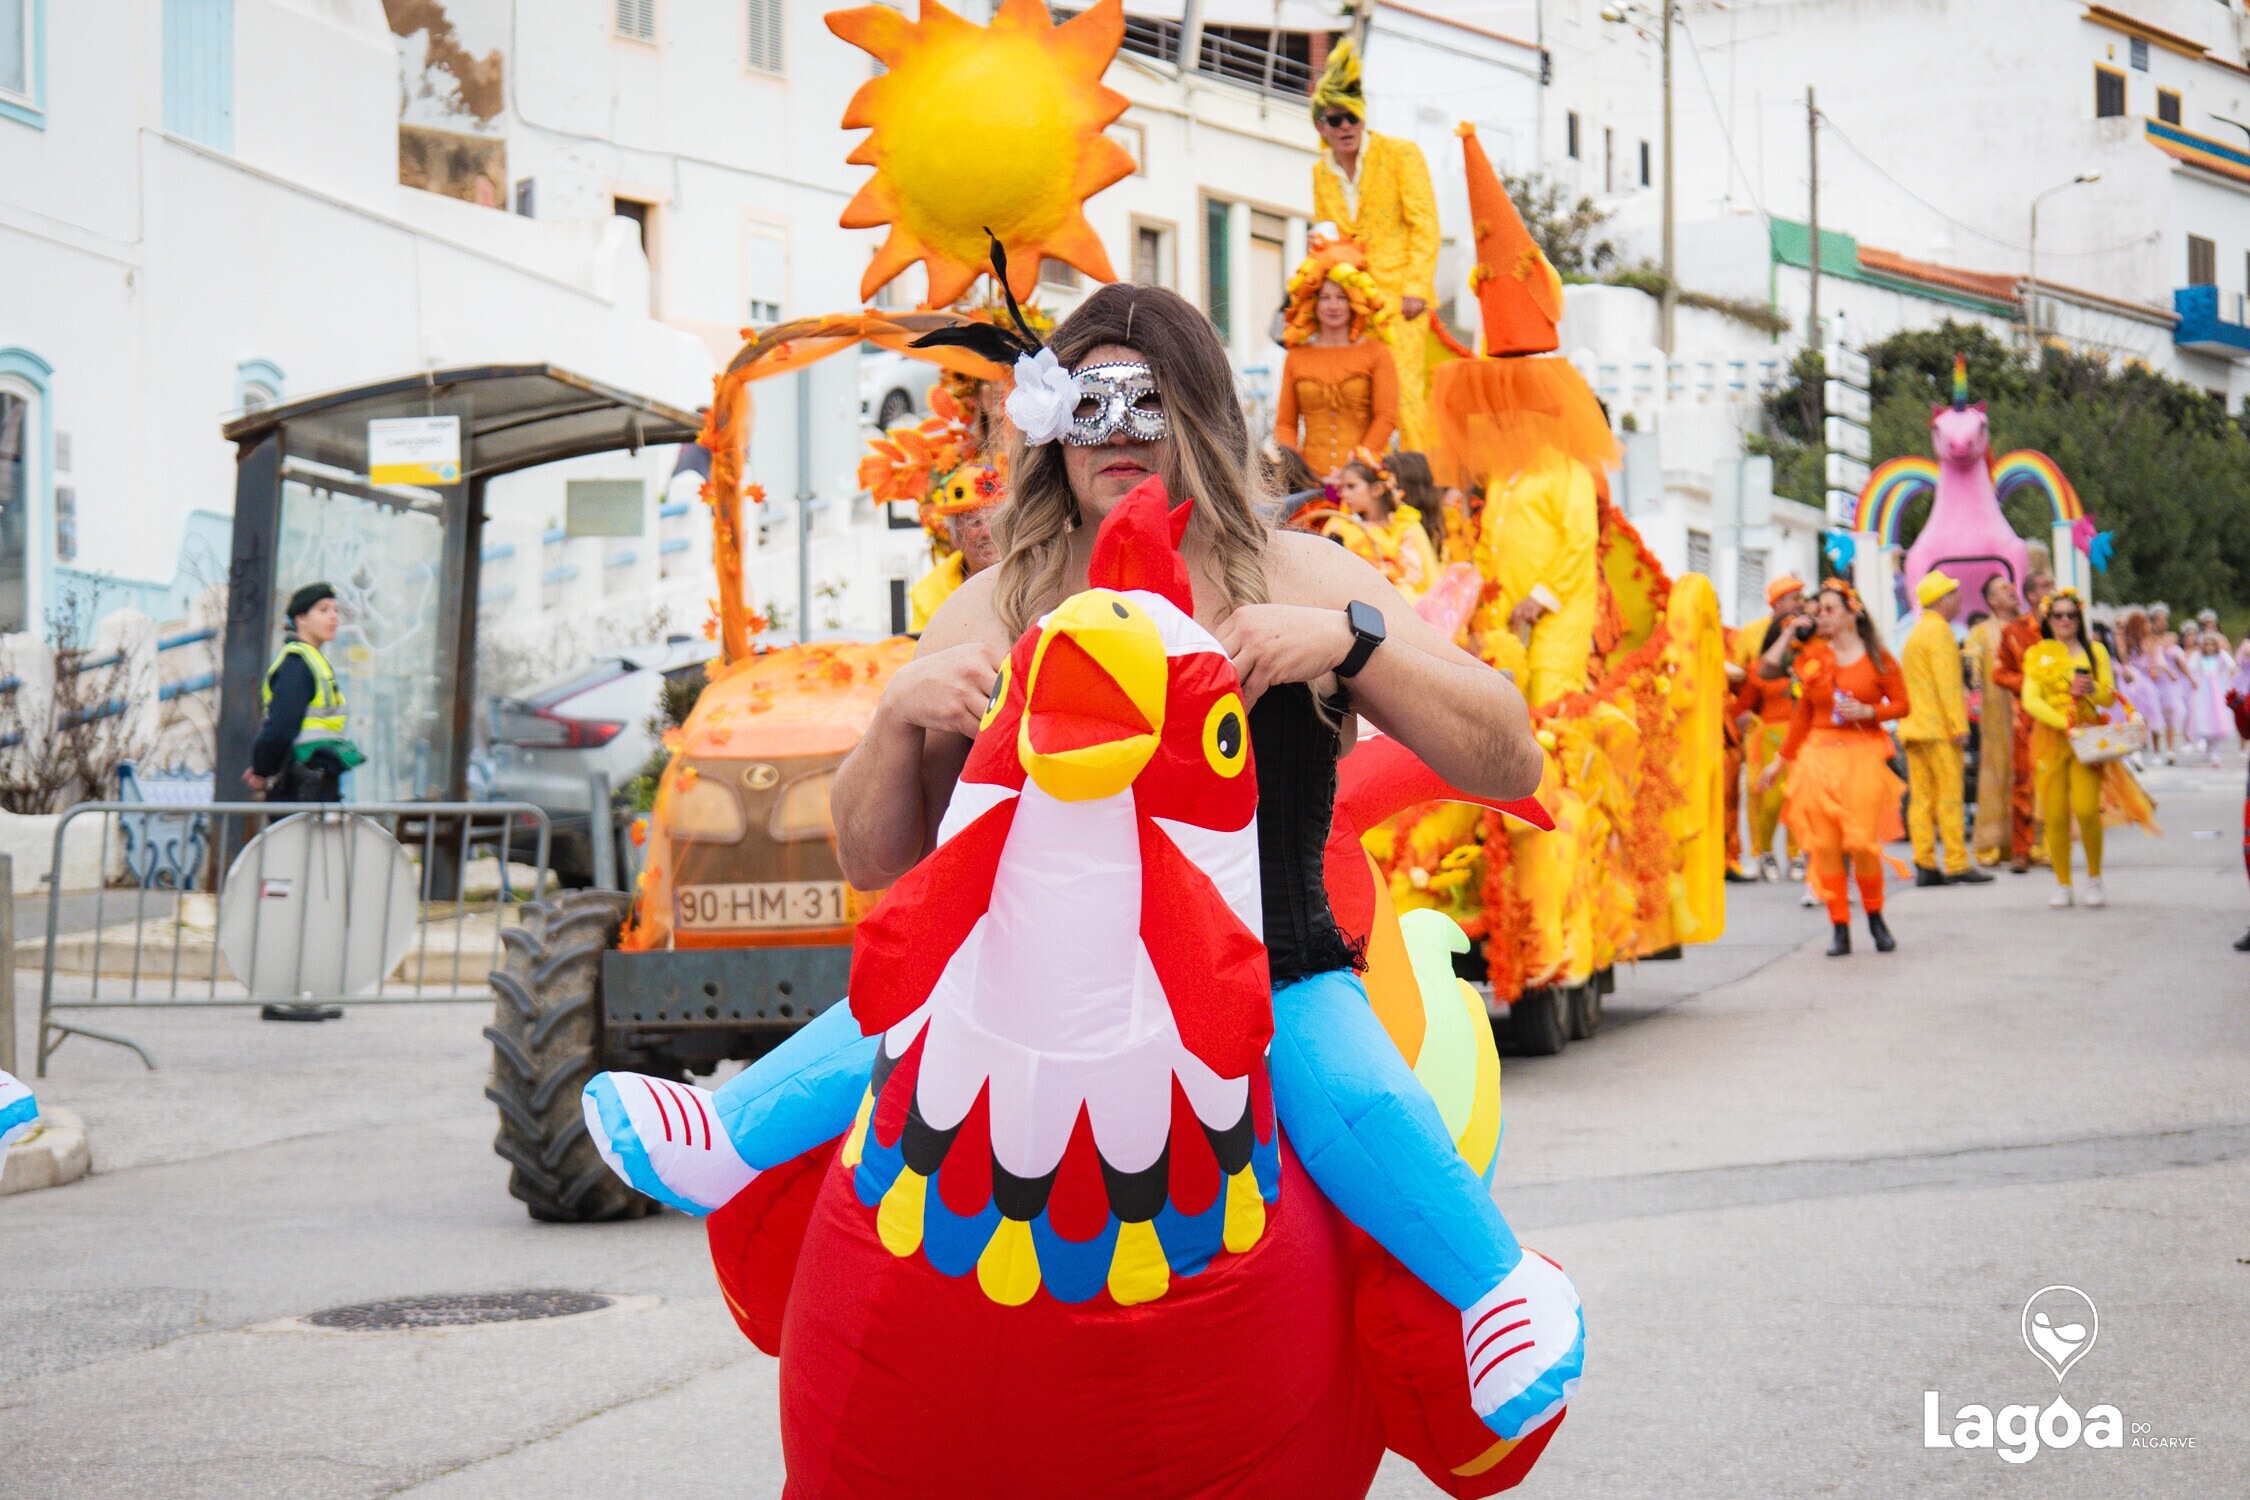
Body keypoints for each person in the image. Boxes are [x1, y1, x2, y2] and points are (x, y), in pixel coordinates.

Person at [830, 284, 1562, 1419]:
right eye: (1090, 406)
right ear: (1049, 429)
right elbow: (876, 859)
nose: (1118, 435)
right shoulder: (991, 608)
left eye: (1148, 403)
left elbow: (1510, 755)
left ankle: (1500, 1302)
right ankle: (725, 1155)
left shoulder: (1306, 576)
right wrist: (896, 718)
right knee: (838, 1086)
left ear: (1205, 415)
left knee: (1370, 1125)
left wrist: (1354, 646)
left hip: (1275, 1000)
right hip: (1019, 1026)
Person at [1758, 580, 1909, 956]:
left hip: (1863, 755)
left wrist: (1872, 712)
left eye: (1829, 608)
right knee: (1825, 846)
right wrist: (1779, 763)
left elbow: (1903, 704)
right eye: (1818, 608)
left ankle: (1875, 917)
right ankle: (1839, 925)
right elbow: (1793, 704)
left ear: (1850, 613)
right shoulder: (1813, 658)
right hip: (1817, 757)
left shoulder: (1878, 658)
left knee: (1861, 844)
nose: (1821, 615)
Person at [1308, 40, 1440, 450]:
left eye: (1354, 117)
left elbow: (1426, 225)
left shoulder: (1400, 154)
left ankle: (1430, 488)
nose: (1346, 127)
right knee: (1361, 399)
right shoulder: (1321, 173)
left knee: (1402, 393)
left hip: (1402, 301)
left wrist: (1416, 288)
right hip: (1355, 306)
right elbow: (1330, 236)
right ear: (1321, 127)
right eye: (1336, 119)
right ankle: (1370, 491)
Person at [2021, 589, 2124, 908]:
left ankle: (2095, 878)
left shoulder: (2095, 651)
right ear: (2048, 620)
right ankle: (2063, 883)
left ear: (2079, 618)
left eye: (2071, 614)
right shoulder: (2038, 653)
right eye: (2058, 615)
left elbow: (2110, 696)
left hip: (2087, 737)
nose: (2065, 620)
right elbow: (2030, 698)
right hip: (2051, 737)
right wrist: (2060, 721)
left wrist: (2093, 688)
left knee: (2086, 810)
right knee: (2052, 814)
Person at [1273, 239, 1398, 478]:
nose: (1333, 306)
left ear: (1355, 302)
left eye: (1341, 297)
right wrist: (1299, 471)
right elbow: (1285, 424)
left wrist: (1357, 467)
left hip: (1365, 479)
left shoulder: (1377, 352)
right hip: (1309, 481)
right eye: (1325, 298)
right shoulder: (1296, 356)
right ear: (1312, 303)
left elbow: (1386, 417)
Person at [1899, 571, 1991, 885]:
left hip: (1915, 728)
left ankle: (1924, 864)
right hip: (1939, 729)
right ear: (1942, 600)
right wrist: (1959, 725)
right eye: (1954, 594)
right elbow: (1948, 685)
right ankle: (1956, 862)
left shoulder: (1917, 632)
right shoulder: (1939, 633)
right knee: (1950, 797)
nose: (1959, 599)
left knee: (1921, 800)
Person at [247, 582, 360, 805]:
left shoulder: (313, 661)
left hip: (314, 782)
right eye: (323, 610)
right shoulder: (297, 664)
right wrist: (262, 768)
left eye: (335, 610)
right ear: (301, 619)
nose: (333, 617)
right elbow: (281, 727)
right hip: (299, 786)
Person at [1736, 576, 1807, 883]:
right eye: (1793, 598)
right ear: (1777, 605)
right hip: (1769, 734)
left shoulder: (1809, 647)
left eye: (1801, 598)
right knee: (1766, 797)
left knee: (1798, 796)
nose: (1799, 604)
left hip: (1803, 732)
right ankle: (1762, 851)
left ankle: (1795, 855)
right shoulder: (1756, 643)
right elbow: (1744, 694)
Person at [1988, 570, 2053, 872]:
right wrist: (2030, 682)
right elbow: (1999, 673)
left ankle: (2054, 847)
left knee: (2057, 782)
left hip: (2060, 716)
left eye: (2052, 584)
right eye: (2045, 586)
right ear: (2031, 596)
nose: (2051, 589)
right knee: (2024, 783)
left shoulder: (2064, 624)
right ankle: (2021, 850)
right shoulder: (2014, 631)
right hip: (2025, 720)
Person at [1963, 574, 2023, 866]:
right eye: (2003, 589)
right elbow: (1970, 659)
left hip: (2030, 714)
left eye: (2011, 586)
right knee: (1996, 775)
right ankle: (1992, 845)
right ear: (1992, 601)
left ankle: (2033, 844)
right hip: (1997, 719)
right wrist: (1972, 677)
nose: (2011, 591)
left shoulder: (2031, 627)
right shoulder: (1982, 633)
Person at [907, 464, 1004, 634]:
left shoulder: (1038, 575)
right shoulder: (928, 594)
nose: (987, 532)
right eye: (974, 522)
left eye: (994, 519)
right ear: (954, 536)